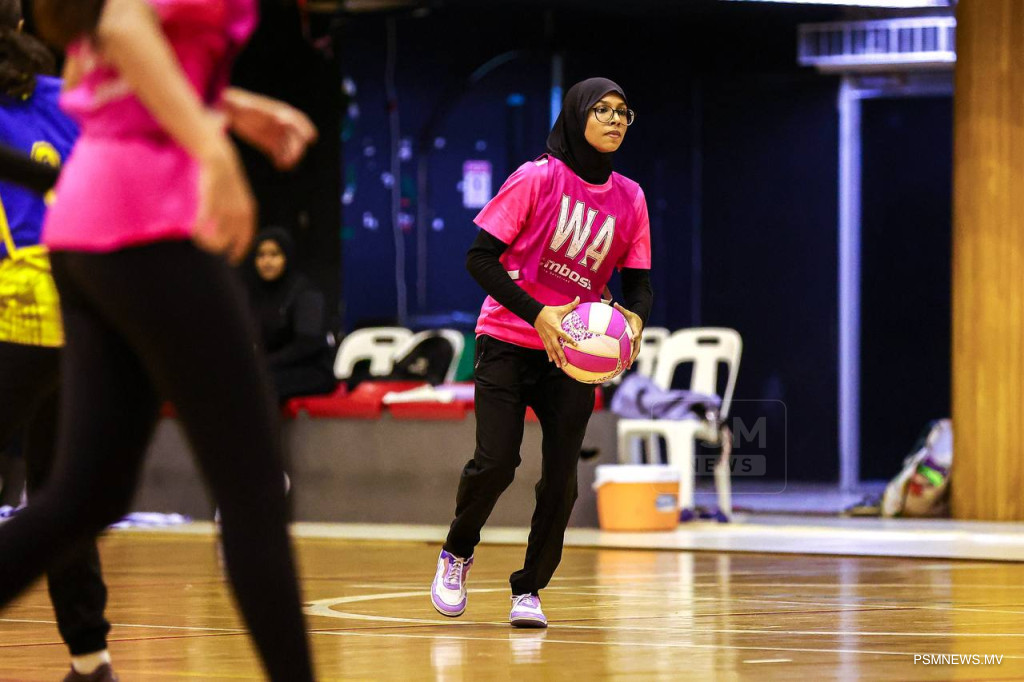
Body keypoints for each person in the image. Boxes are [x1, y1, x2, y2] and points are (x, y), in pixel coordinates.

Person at [0, 0, 318, 679]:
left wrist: (229, 108)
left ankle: (89, 655)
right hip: (148, 223)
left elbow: (102, 74)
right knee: (254, 489)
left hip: (84, 229)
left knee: (84, 496)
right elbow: (121, 26)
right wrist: (212, 147)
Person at [430, 78, 654, 628]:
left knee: (561, 478)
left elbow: (638, 282)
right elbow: (479, 258)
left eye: (624, 112)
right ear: (576, 115)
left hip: (573, 355)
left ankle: (529, 588)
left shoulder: (631, 197)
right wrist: (537, 313)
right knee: (496, 462)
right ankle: (457, 551)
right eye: (603, 110)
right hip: (508, 338)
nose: (616, 120)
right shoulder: (538, 177)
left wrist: (635, 318)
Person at [0, 3, 117, 679]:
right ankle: (91, 658)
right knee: (57, 493)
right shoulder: (66, 96)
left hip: (18, 306)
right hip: (87, 306)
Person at [247, 227, 336, 404]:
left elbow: (307, 345)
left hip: (310, 370)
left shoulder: (306, 292)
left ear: (286, 257)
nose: (267, 261)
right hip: (272, 368)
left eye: (274, 254)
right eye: (261, 255)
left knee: (259, 386)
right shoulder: (255, 294)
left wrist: (263, 363)